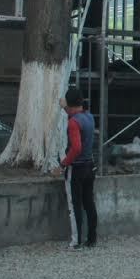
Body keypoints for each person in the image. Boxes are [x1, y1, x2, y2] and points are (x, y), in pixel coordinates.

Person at [59, 87, 97, 249]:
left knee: (75, 206)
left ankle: (76, 242)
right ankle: (92, 239)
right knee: (89, 202)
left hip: (76, 168)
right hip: (90, 166)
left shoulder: (73, 122)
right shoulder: (89, 117)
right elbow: (76, 113)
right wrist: (66, 107)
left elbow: (76, 148)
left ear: (69, 104)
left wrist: (63, 164)